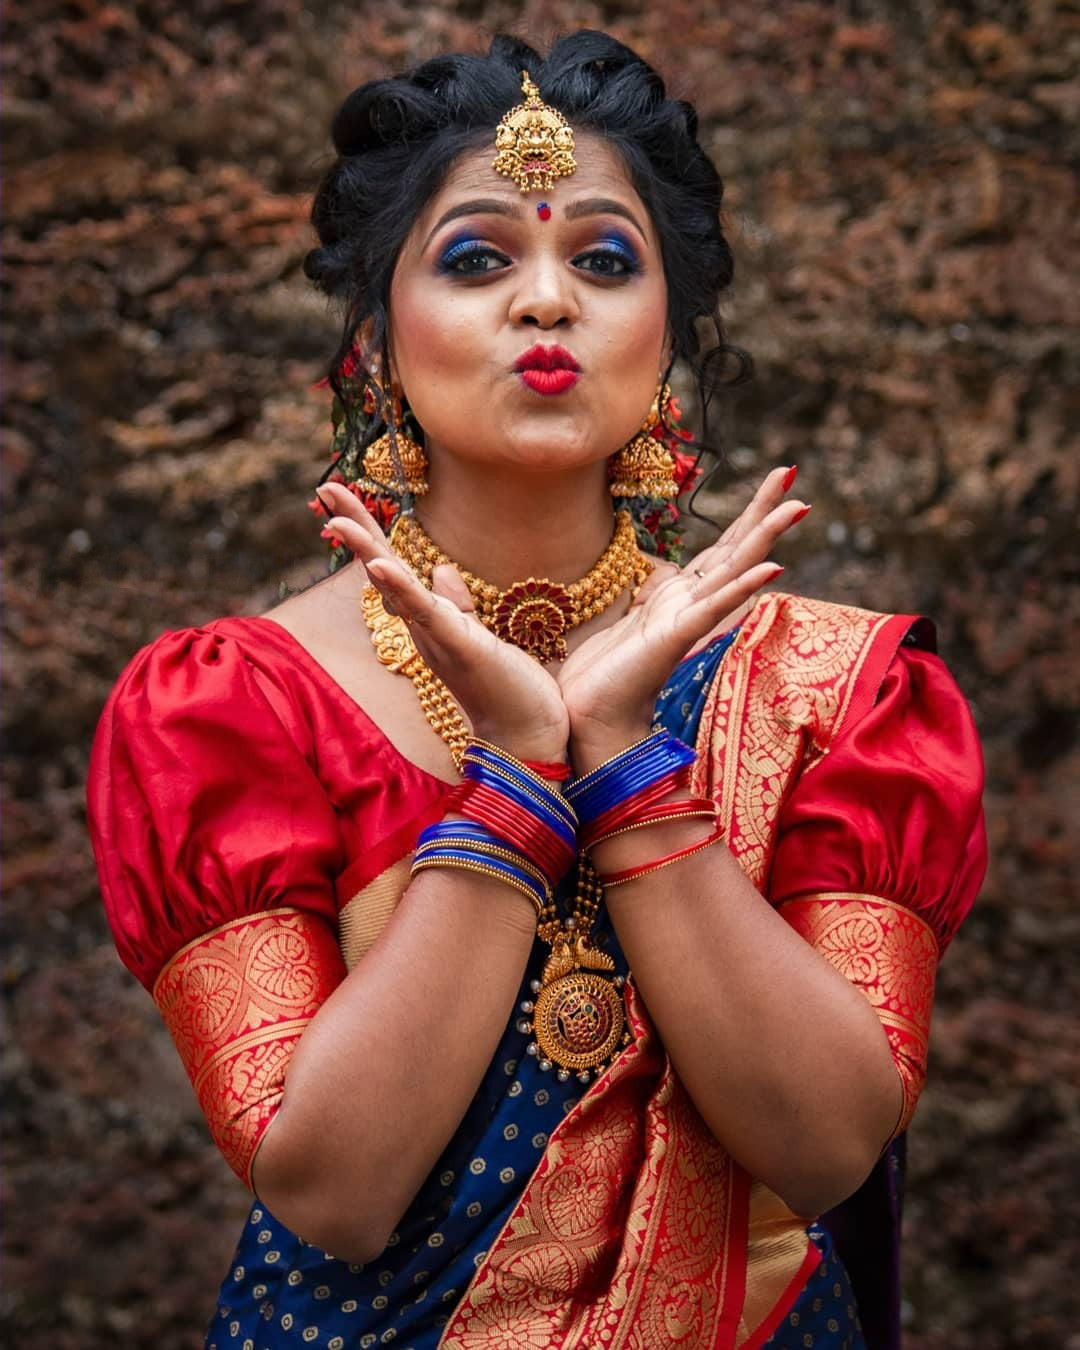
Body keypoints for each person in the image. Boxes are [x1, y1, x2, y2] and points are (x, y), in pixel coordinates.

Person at [86, 30, 986, 1350]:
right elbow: (333, 1187)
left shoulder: (828, 691)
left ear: (666, 324)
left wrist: (623, 753)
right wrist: (515, 772)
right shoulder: (232, 706)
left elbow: (831, 1143)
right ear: (380, 331)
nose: (548, 300)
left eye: (606, 259)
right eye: (478, 257)